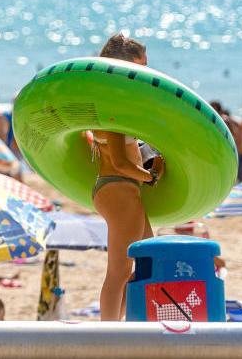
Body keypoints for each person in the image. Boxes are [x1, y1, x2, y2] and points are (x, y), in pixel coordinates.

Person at [90, 34, 163, 322]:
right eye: (140, 65)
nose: (145, 70)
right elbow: (120, 162)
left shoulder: (110, 100)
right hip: (120, 188)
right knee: (119, 271)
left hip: (119, 189)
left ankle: (116, 328)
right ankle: (106, 338)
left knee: (143, 263)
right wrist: (149, 177)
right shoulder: (113, 104)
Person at [210, 101, 242, 182]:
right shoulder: (216, 119)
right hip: (224, 150)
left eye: (213, 108)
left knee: (233, 174)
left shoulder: (223, 119)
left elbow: (233, 134)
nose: (211, 110)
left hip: (227, 150)